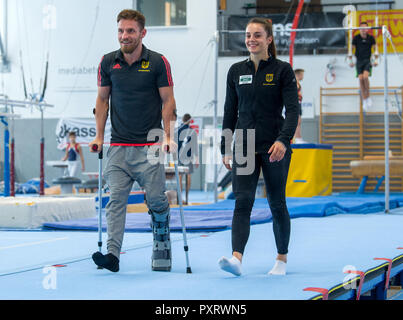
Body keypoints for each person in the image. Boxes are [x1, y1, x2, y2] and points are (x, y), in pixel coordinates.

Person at [89, 9, 177, 273]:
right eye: (120, 31)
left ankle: (161, 234)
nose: (124, 36)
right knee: (116, 200)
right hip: (118, 146)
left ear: (142, 33)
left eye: (130, 31)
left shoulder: (158, 62)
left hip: (149, 145)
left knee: (155, 199)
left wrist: (169, 136)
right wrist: (99, 135)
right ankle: (113, 255)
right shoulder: (107, 62)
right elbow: (102, 99)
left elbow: (168, 100)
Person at [219, 17, 299, 277]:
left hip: (274, 146)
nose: (251, 40)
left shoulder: (282, 71)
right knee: (242, 202)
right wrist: (226, 147)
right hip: (244, 144)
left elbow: (293, 111)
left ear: (269, 39)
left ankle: (282, 259)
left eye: (257, 35)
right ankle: (236, 259)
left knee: (277, 202)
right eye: (248, 35)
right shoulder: (235, 71)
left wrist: (283, 140)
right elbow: (229, 111)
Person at [349, 21, 378, 111]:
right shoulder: (356, 38)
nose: (363, 30)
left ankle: (368, 96)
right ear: (359, 29)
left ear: (367, 29)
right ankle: (365, 99)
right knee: (360, 79)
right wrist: (350, 61)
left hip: (367, 61)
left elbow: (375, 49)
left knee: (365, 77)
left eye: (365, 28)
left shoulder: (371, 38)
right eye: (362, 28)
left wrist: (376, 60)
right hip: (359, 61)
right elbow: (350, 50)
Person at [177, 113, 199, 195]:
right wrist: (197, 158)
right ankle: (186, 196)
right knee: (188, 175)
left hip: (179, 156)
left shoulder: (177, 130)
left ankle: (179, 197)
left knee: (179, 175)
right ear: (190, 121)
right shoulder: (192, 131)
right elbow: (195, 146)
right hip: (188, 156)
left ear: (182, 120)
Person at [293, 68, 306, 144]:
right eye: (302, 74)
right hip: (296, 103)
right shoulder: (295, 82)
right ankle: (297, 138)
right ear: (298, 74)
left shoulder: (297, 83)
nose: (303, 76)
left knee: (299, 121)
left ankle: (298, 137)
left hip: (299, 103)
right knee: (297, 121)